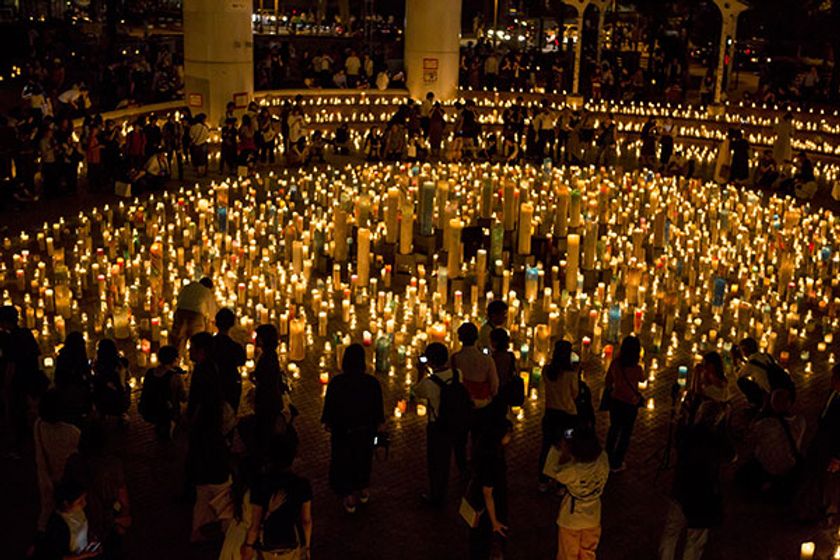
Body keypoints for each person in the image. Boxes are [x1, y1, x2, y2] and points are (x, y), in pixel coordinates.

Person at [659, 355, 735, 560]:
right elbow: (730, 454)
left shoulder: (688, 429)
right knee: (695, 538)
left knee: (672, 531)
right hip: (703, 490)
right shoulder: (718, 436)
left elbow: (679, 437)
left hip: (684, 484)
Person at [321, 343, 385, 514]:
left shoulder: (337, 383)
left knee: (343, 461)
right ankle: (363, 488)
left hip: (343, 431)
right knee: (363, 460)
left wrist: (329, 423)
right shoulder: (372, 383)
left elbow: (330, 407)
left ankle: (348, 494)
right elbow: (378, 410)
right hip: (365, 432)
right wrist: (378, 432)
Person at [186, 332, 231, 543]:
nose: (188, 351)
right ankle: (216, 526)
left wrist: (190, 422)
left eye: (191, 347)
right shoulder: (212, 368)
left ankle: (210, 527)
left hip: (206, 436)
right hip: (211, 434)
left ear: (201, 351)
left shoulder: (203, 373)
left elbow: (199, 405)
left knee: (205, 487)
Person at [543, 426, 609, 560]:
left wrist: (561, 449)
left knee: (568, 554)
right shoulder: (603, 459)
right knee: (588, 553)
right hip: (594, 516)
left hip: (571, 519)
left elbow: (550, 470)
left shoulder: (571, 470)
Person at [65, 424, 132, 558]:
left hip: (82, 523)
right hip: (107, 522)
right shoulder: (113, 464)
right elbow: (122, 496)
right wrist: (124, 516)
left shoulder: (73, 462)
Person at [241, 436, 312, 560]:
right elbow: (306, 521)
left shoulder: (261, 485)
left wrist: (248, 545)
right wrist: (307, 547)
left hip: (268, 545)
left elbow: (255, 525)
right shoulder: (302, 485)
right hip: (290, 543)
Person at [413, 342, 465, 505]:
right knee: (448, 457)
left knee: (436, 462)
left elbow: (416, 392)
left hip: (437, 426)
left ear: (430, 361)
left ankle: (437, 495)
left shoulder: (429, 383)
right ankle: (448, 487)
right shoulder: (458, 374)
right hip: (456, 422)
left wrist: (420, 371)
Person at [738, 388, 805, 501]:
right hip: (791, 466)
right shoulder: (801, 421)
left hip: (769, 468)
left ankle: (767, 485)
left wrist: (762, 410)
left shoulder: (767, 424)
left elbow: (749, 435)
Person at [794, 363, 840, 523]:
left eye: (835, 377)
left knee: (827, 480)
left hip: (832, 447)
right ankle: (809, 507)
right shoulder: (833, 393)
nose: (831, 380)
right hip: (821, 442)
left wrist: (837, 457)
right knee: (815, 475)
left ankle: (826, 511)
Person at [35, 389, 82, 532]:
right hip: (67, 479)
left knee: (48, 511)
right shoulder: (73, 432)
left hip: (47, 477)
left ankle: (43, 537)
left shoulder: (38, 426)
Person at [1, 305, 43, 457]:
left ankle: (18, 448)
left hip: (19, 382)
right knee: (29, 412)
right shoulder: (26, 333)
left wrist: (6, 385)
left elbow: (11, 365)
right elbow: (37, 353)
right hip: (31, 377)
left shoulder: (10, 340)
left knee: (16, 414)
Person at [468, 418, 512, 560]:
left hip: (482, 503)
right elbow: (488, 493)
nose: (510, 437)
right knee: (486, 543)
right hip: (489, 508)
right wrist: (495, 522)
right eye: (508, 434)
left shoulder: (483, 452)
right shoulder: (493, 460)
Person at [539, 340, 579, 491]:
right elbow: (574, 394)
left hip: (550, 414)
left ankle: (542, 480)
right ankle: (560, 484)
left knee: (547, 446)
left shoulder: (546, 371)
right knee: (565, 448)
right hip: (568, 417)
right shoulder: (570, 375)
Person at [604, 335, 644, 472]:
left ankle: (606, 458)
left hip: (615, 402)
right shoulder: (637, 368)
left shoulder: (615, 363)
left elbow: (608, 380)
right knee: (625, 434)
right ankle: (617, 463)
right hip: (630, 405)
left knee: (613, 429)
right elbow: (642, 379)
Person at [37, 479, 100, 560]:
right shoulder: (57, 525)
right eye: (80, 501)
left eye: (84, 499)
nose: (84, 503)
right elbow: (58, 557)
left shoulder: (78, 511)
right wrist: (84, 555)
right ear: (66, 503)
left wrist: (89, 540)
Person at [139, 345, 186, 441]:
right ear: (175, 359)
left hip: (149, 409)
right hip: (166, 413)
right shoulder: (175, 377)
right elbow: (183, 397)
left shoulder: (150, 372)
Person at [452, 322, 499, 416]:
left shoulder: (455, 359)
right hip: (483, 404)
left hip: (462, 404)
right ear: (477, 337)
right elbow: (494, 385)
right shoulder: (487, 360)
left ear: (460, 338)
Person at [54, 331, 93, 428]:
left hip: (64, 390)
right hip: (74, 390)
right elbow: (84, 374)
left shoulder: (62, 355)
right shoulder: (78, 357)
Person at [213, 308, 247, 414]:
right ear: (232, 324)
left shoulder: (209, 344)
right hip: (231, 383)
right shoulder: (235, 347)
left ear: (216, 323)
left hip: (213, 382)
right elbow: (242, 361)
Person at [171, 277, 216, 357]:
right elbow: (212, 313)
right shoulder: (206, 292)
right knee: (196, 342)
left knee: (178, 340)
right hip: (196, 317)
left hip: (180, 313)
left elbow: (178, 299)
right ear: (209, 287)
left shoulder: (188, 287)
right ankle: (195, 362)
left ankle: (175, 362)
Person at [91, 339, 130, 423]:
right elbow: (127, 379)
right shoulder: (121, 364)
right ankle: (121, 413)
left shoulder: (97, 366)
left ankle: (102, 414)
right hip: (120, 400)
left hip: (102, 401)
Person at [733, 337, 774, 410]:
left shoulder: (751, 364)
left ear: (745, 351)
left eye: (742, 350)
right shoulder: (766, 356)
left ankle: (756, 403)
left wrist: (735, 362)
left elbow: (739, 375)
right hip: (775, 388)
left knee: (741, 382)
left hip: (768, 395)